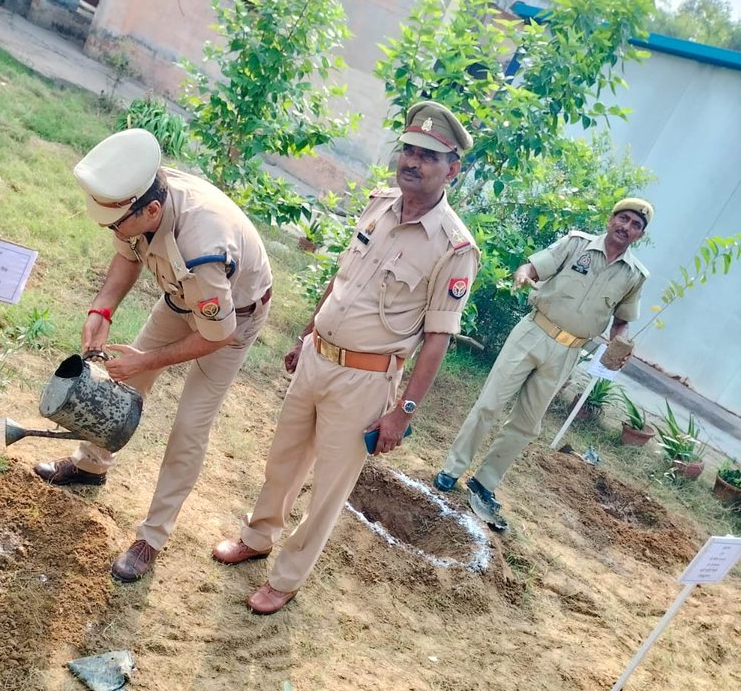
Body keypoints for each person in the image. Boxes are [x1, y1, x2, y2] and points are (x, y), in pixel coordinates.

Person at [212, 101, 478, 614]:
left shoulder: (454, 247)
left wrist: (403, 411)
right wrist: (307, 334)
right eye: (409, 150)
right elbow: (342, 279)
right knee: (283, 460)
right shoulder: (378, 204)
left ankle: (286, 579)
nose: (413, 162)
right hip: (317, 358)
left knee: (329, 489)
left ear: (452, 169)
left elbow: (438, 338)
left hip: (366, 380)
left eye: (428, 155)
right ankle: (258, 535)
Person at [34, 127, 273, 582]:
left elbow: (216, 335)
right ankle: (90, 467)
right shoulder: (138, 198)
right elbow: (128, 254)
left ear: (153, 211)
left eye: (113, 223)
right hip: (181, 298)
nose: (110, 229)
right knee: (121, 383)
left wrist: (146, 359)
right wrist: (101, 308)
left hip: (231, 320)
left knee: (189, 425)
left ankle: (152, 538)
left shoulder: (203, 246)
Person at [433, 197, 654, 531]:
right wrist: (523, 274)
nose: (627, 227)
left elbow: (621, 320)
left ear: (639, 235)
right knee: (490, 404)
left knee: (527, 423)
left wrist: (622, 341)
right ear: (611, 220)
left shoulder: (634, 275)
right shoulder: (576, 243)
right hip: (533, 332)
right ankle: (452, 469)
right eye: (623, 219)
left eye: (636, 225)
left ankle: (485, 482)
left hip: (568, 351)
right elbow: (535, 267)